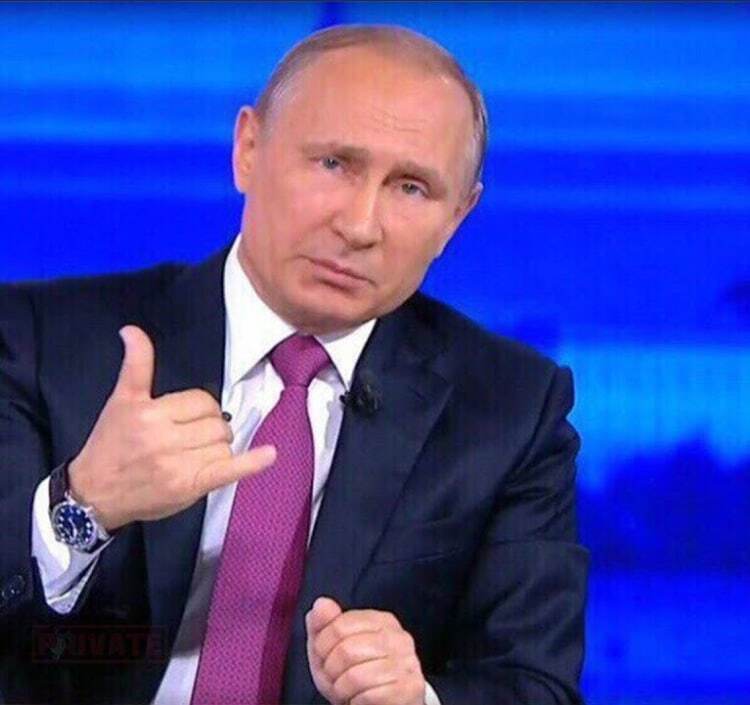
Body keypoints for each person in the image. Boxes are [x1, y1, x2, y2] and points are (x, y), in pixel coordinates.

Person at [0, 24, 589, 705]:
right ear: (248, 150)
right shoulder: (41, 341)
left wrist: (419, 698)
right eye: (334, 164)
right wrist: (82, 504)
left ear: (457, 216)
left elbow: (535, 683)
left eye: (411, 188)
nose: (360, 226)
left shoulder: (511, 408)